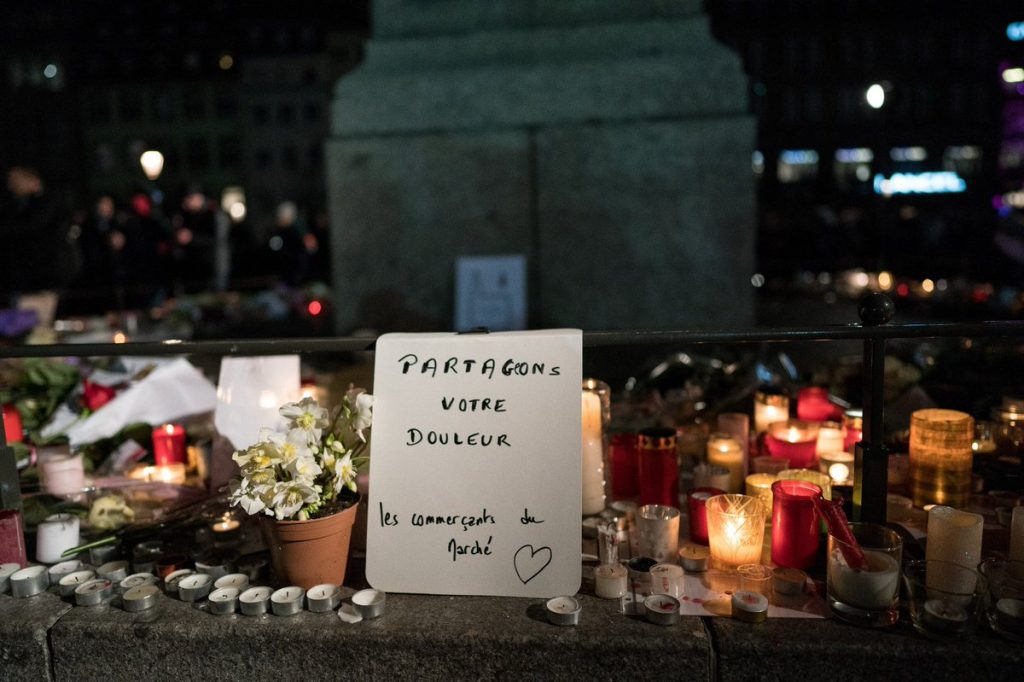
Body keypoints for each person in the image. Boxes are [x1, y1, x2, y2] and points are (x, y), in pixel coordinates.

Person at [0, 165, 80, 300]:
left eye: (15, 181)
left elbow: (30, 227)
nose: (10, 186)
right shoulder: (17, 205)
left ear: (32, 180)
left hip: (47, 273)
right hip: (27, 276)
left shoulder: (47, 202)